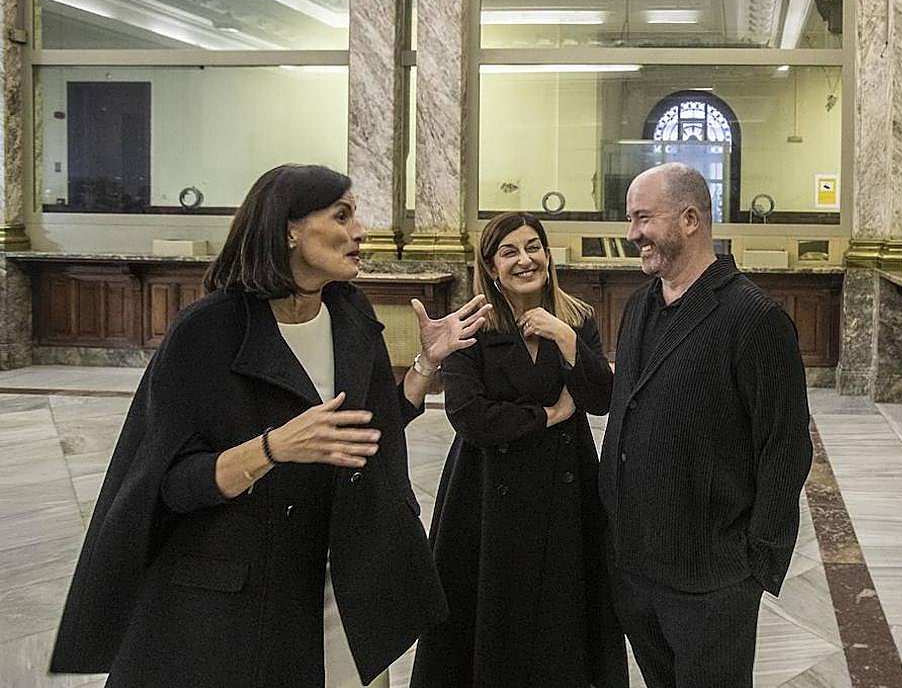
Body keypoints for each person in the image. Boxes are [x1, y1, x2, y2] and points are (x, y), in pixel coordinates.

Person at [49, 164, 491, 688]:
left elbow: (364, 435)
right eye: (343, 215)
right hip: (246, 595)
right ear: (290, 229)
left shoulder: (351, 315)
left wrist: (423, 368)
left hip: (341, 585)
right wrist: (272, 448)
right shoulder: (209, 330)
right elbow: (169, 482)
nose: (361, 231)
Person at [599, 162, 812, 688]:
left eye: (643, 218)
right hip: (636, 566)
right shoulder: (639, 306)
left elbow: (785, 450)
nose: (633, 235)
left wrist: (754, 565)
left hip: (712, 579)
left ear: (690, 219)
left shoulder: (754, 317)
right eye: (630, 219)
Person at [410, 212, 628, 688]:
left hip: (565, 490)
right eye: (509, 252)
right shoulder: (472, 324)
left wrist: (567, 341)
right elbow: (470, 415)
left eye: (534, 247)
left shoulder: (578, 319)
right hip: (487, 494)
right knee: (491, 612)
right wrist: (547, 417)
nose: (525, 260)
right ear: (491, 268)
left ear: (549, 256)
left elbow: (601, 399)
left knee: (563, 609)